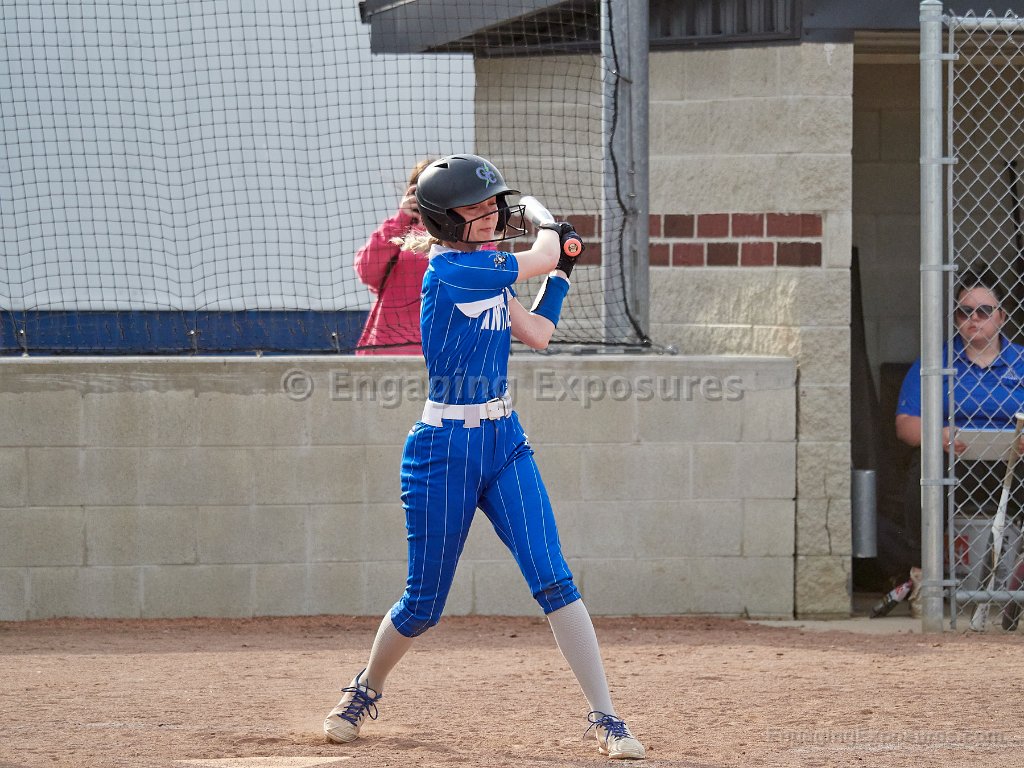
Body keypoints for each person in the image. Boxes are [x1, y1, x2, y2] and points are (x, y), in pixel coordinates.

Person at [323, 154, 646, 759]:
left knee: (553, 578)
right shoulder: (452, 269)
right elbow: (539, 253)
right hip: (442, 450)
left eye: (493, 204)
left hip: (504, 442)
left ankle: (607, 718)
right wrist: (551, 234)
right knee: (423, 605)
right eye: (475, 208)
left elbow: (538, 333)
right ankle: (366, 687)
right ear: (445, 221)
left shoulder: (487, 272)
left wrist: (562, 274)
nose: (492, 214)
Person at [895, 270, 1024, 626]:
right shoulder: (936, 362)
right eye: (964, 311)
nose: (974, 319)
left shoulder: (1021, 361)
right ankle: (924, 580)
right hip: (956, 460)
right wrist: (938, 435)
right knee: (923, 464)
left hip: (1014, 461)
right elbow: (905, 424)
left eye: (984, 310)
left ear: (1002, 316)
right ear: (955, 318)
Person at [354, 159, 433, 355]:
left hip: (444, 350)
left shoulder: (466, 234)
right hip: (389, 348)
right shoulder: (399, 230)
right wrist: (401, 219)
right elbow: (367, 271)